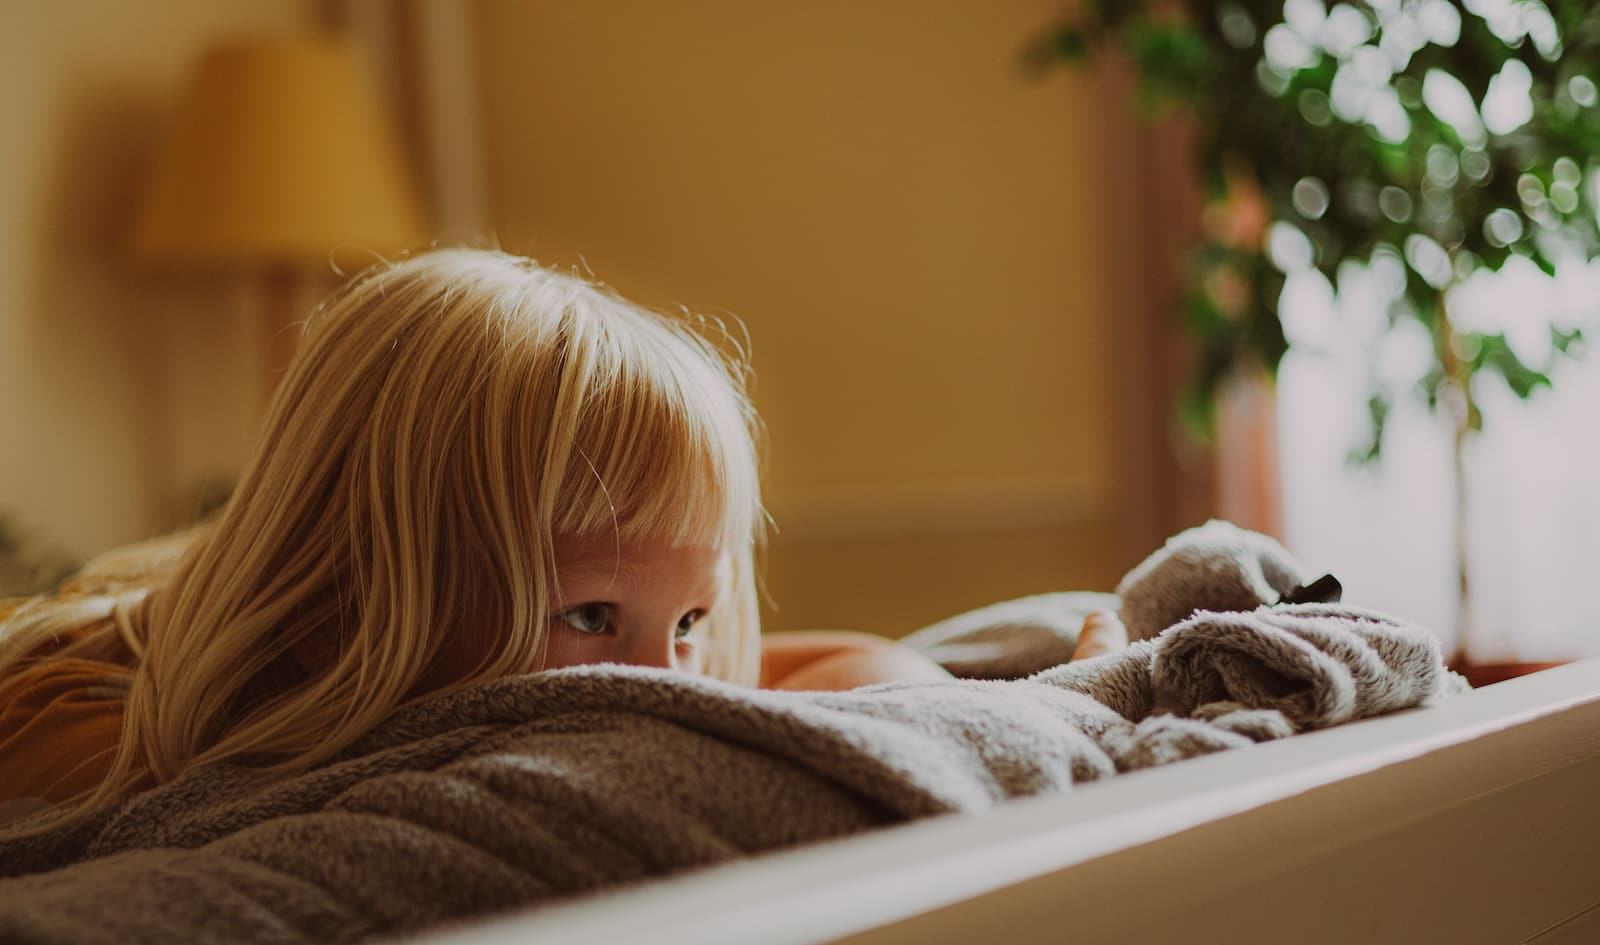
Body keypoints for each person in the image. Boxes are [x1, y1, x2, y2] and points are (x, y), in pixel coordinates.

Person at [0, 248, 1123, 831]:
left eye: (690, 619)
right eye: (590, 615)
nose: (668, 689)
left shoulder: (653, 671)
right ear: (340, 619)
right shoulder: (89, 749)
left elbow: (835, 670)